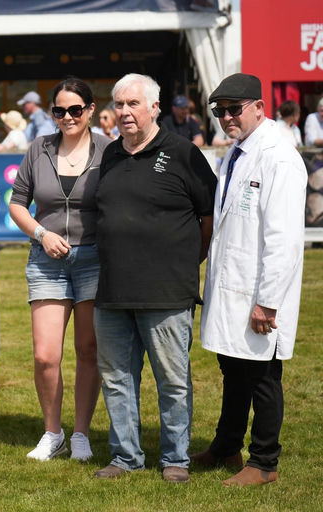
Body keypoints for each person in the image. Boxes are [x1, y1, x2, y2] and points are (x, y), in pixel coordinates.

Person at [92, 73, 216, 483]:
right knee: (116, 378)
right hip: (112, 291)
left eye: (133, 104)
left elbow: (209, 216)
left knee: (172, 381)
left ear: (154, 107)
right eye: (119, 105)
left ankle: (175, 458)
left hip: (165, 291)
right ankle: (125, 456)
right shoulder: (109, 154)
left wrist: (187, 261)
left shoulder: (183, 153)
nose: (124, 112)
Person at [194, 73, 306, 487]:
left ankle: (264, 462)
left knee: (263, 376)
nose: (226, 118)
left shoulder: (278, 157)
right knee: (233, 369)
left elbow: (285, 239)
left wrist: (269, 301)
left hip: (260, 291)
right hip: (232, 284)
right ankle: (226, 446)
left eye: (234, 109)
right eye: (219, 111)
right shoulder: (238, 152)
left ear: (260, 107)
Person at [9, 77, 111, 462]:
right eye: (59, 110)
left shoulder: (109, 149)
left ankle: (81, 433)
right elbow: (17, 203)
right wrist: (40, 233)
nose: (67, 117)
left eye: (74, 110)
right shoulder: (39, 147)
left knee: (88, 350)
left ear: (90, 110)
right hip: (46, 261)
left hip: (94, 259)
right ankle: (53, 432)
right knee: (45, 356)